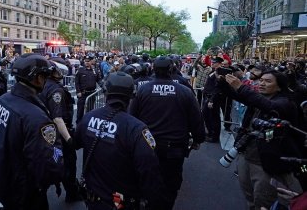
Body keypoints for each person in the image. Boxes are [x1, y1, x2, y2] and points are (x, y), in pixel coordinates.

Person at [0, 54, 64, 210]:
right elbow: (46, 163)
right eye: (45, 76)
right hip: (22, 190)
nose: (46, 80)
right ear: (38, 78)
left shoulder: (4, 99)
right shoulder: (36, 118)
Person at [75, 71, 169, 209]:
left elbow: (76, 143)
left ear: (106, 92)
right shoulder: (136, 128)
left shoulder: (88, 117)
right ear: (132, 95)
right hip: (120, 203)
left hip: (94, 200)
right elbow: (149, 171)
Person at [129, 56, 205, 210]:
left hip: (147, 146)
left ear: (153, 69)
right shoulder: (184, 91)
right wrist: (198, 138)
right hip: (174, 149)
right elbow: (196, 119)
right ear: (172, 69)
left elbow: (132, 117)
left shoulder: (143, 89)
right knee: (170, 183)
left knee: (147, 178)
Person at [223, 70, 303, 210]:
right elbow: (237, 96)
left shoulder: (286, 103)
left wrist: (241, 87)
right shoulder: (258, 98)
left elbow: (269, 107)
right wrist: (222, 83)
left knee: (263, 200)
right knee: (249, 196)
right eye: (261, 80)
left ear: (279, 87)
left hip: (265, 162)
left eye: (268, 81)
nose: (262, 83)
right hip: (246, 154)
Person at [39, 60, 81, 203]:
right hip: (59, 132)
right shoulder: (56, 89)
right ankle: (72, 193)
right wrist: (69, 139)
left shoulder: (43, 84)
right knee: (69, 163)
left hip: (47, 132)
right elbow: (57, 118)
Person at [75, 55, 101, 123]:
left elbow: (99, 81)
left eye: (88, 61)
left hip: (92, 94)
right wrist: (78, 91)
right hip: (83, 94)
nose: (86, 62)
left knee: (90, 111)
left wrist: (104, 87)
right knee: (80, 111)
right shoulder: (80, 70)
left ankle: (87, 124)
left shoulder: (95, 71)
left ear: (91, 62)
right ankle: (79, 125)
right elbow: (76, 82)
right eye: (85, 61)